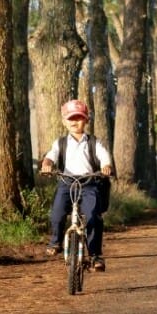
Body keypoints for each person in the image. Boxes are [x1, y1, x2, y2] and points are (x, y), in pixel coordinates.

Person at [41, 99, 114, 272]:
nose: (75, 121)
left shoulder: (94, 142)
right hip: (66, 183)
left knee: (93, 216)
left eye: (79, 117)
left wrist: (106, 166)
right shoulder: (60, 143)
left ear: (86, 120)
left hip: (89, 183)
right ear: (64, 121)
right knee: (57, 213)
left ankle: (95, 254)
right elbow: (51, 155)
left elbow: (104, 156)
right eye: (71, 118)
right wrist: (47, 164)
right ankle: (56, 242)